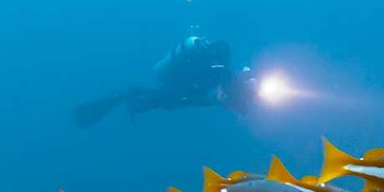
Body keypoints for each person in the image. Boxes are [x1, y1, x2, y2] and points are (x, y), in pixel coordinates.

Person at [73, 35, 260, 126]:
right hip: (178, 90)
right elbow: (212, 98)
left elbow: (234, 106)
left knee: (153, 100)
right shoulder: (220, 76)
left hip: (181, 91)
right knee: (147, 101)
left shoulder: (223, 77)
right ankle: (117, 98)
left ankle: (121, 98)